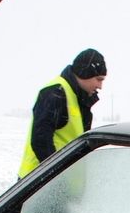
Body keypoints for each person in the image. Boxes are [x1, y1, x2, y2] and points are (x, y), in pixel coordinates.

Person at [17, 48, 107, 178]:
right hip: (39, 184)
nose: (100, 86)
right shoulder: (55, 92)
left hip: (62, 185)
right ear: (85, 73)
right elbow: (40, 141)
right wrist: (56, 177)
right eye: (99, 79)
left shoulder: (80, 99)